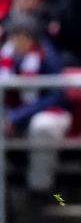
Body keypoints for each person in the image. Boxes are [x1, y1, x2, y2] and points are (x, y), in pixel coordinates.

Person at [1, 14, 70, 201]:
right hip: (11, 115)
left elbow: (56, 96)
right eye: (14, 36)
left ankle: (39, 189)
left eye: (24, 36)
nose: (18, 41)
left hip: (47, 112)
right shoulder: (5, 57)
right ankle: (3, 195)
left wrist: (18, 116)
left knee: (42, 126)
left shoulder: (47, 57)